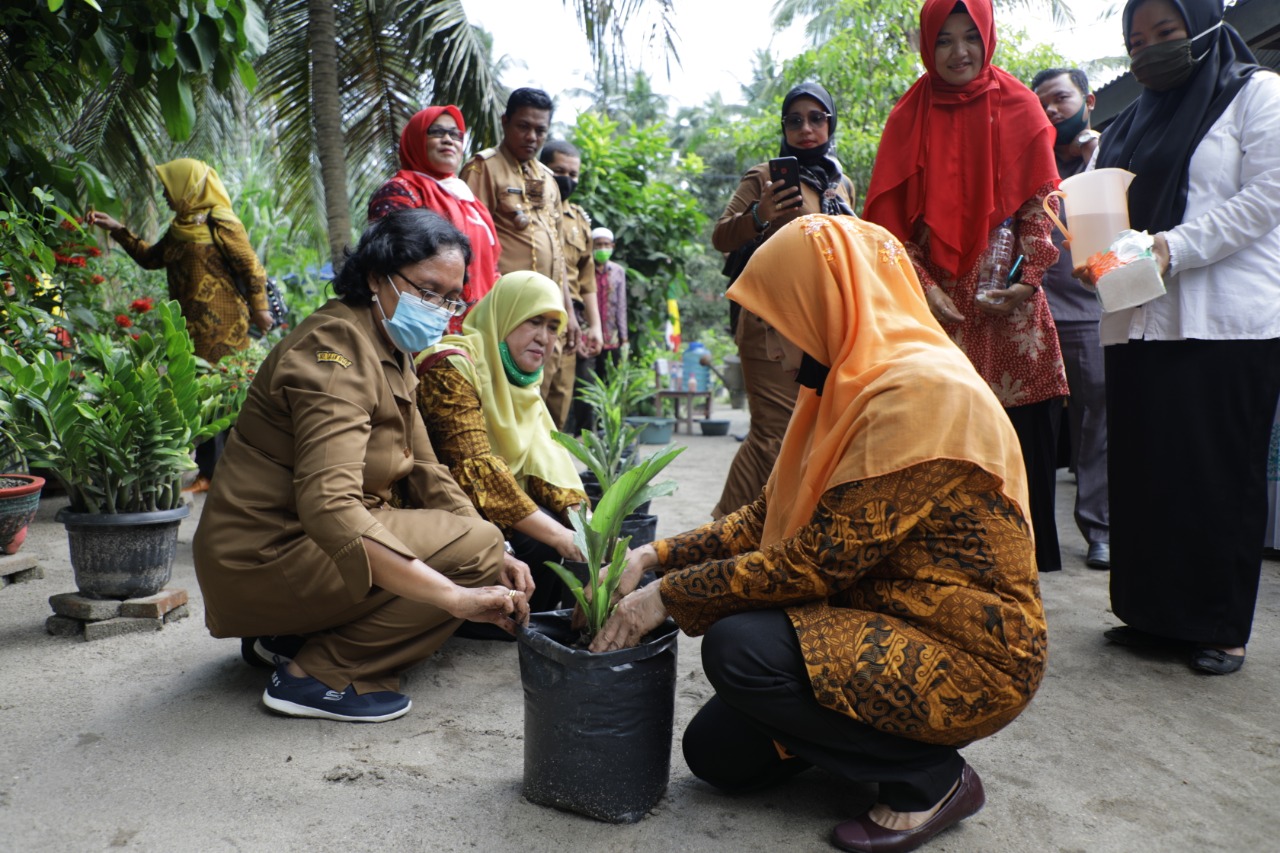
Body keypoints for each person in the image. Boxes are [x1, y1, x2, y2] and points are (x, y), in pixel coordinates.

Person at [593, 215, 1046, 853]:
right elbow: (763, 516)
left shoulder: (922, 393)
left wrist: (664, 597)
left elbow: (814, 564)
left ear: (827, 302)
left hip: (965, 654)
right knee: (717, 757)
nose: (773, 351)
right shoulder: (842, 387)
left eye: (776, 323)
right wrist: (655, 554)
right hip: (872, 617)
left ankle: (928, 778)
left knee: (739, 649)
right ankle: (863, 741)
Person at [192, 209, 531, 722]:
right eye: (426, 290)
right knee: (471, 552)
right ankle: (322, 674)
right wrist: (453, 596)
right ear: (377, 276)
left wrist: (497, 545)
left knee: (481, 544)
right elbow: (329, 506)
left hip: (298, 548)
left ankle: (288, 637)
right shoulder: (336, 350)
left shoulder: (389, 346)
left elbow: (425, 467)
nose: (438, 309)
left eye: (449, 298)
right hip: (265, 556)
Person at [1093, 0, 1280, 674]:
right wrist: (1097, 254)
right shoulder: (1130, 122)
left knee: (1216, 472)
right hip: (1138, 317)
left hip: (1226, 318)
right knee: (1149, 473)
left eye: (1166, 34)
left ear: (1205, 25)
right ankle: (1152, 614)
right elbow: (1106, 218)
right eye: (1136, 40)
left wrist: (1172, 246)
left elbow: (1266, 197)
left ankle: (1219, 626)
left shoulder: (1257, 95)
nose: (1150, 51)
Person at [863, 0, 1068, 574]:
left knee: (1018, 447)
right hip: (938, 315)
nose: (959, 52)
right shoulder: (909, 116)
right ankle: (944, 573)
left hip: (1011, 315)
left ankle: (1019, 575)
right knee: (939, 445)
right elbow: (888, 231)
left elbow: (1042, 204)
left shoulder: (1021, 107)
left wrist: (1029, 278)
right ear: (928, 45)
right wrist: (925, 287)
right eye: (945, 39)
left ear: (988, 39)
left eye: (970, 38)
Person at [710, 81, 856, 520]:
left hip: (821, 324)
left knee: (805, 433)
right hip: (769, 321)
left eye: (817, 118)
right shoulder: (763, 176)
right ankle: (720, 531)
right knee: (772, 435)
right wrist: (760, 214)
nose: (806, 128)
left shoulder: (840, 180)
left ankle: (771, 527)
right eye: (795, 120)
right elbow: (721, 235)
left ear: (830, 123)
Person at [88, 158, 272, 493]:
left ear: (188, 187)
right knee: (199, 396)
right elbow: (151, 259)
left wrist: (261, 309)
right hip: (192, 330)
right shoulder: (179, 227)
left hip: (226, 329)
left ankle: (235, 473)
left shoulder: (221, 221)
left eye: (168, 187)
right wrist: (118, 229)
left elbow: (252, 267)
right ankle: (208, 473)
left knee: (230, 396)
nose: (164, 193)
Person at [415, 271, 587, 614]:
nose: (544, 337)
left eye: (553, 328)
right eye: (533, 321)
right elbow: (475, 470)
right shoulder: (452, 365)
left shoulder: (524, 387)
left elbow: (546, 468)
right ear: (503, 315)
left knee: (557, 521)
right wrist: (558, 535)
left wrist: (586, 529)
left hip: (490, 508)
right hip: (439, 507)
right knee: (543, 536)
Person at [1031, 67, 1110, 569]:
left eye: (1060, 98)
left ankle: (1100, 528)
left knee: (1096, 420)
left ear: (1089, 100)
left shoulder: (1109, 155)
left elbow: (1128, 231)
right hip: (1030, 309)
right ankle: (1027, 533)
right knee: (1030, 424)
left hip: (1088, 312)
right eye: (1041, 103)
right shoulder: (1029, 159)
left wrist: (1095, 158)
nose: (1051, 110)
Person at [368, 104, 502, 333]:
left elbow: (492, 268)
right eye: (437, 132)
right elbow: (389, 263)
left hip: (479, 329)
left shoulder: (472, 203)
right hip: (422, 329)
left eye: (455, 134)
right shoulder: (401, 190)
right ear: (417, 139)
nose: (448, 139)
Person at [461, 88, 572, 348]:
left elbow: (558, 250)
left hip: (546, 313)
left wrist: (566, 308)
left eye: (540, 130)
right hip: (505, 312)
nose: (532, 137)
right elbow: (468, 245)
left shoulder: (547, 177)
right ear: (505, 121)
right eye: (523, 126)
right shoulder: (484, 168)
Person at [539, 138, 603, 428]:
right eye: (559, 171)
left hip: (571, 320)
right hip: (538, 309)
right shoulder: (535, 212)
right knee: (533, 392)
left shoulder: (579, 220)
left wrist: (596, 327)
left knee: (559, 398)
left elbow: (587, 280)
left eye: (573, 174)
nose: (567, 180)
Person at [568, 225, 630, 432]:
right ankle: (584, 430)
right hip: (587, 337)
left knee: (610, 384)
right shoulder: (583, 271)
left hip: (611, 337)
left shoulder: (618, 272)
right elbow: (576, 302)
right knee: (585, 383)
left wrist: (624, 338)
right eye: (598, 245)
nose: (602, 248)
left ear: (612, 246)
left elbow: (621, 305)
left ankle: (607, 429)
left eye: (606, 244)